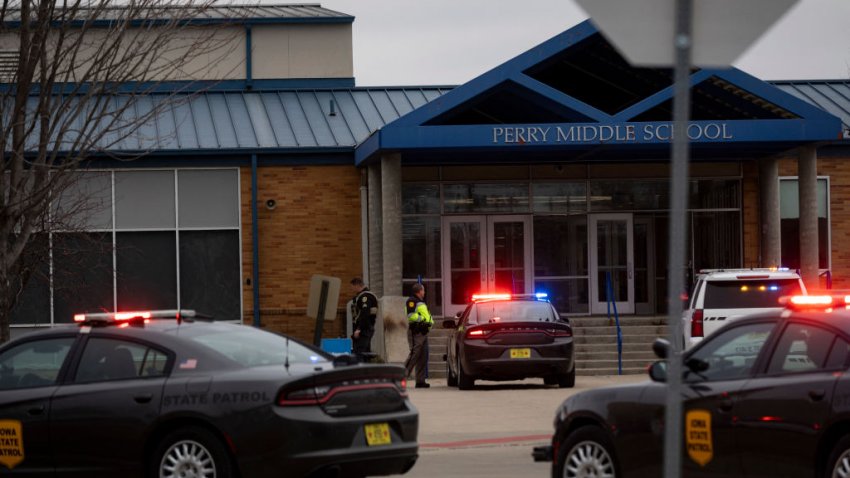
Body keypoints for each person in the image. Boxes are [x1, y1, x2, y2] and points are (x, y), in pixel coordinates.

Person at [404, 283, 433, 388]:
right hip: (417, 331)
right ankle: (401, 377)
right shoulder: (412, 301)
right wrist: (423, 320)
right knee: (414, 354)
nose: (424, 292)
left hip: (423, 331)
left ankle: (420, 381)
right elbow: (411, 315)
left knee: (423, 356)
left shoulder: (420, 302)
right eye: (423, 290)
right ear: (420, 291)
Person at [349, 277, 378, 362]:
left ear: (357, 285)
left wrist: (359, 329)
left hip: (364, 329)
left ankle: (360, 372)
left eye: (352, 287)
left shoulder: (365, 297)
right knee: (365, 353)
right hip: (366, 328)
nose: (352, 289)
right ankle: (367, 372)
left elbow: (365, 313)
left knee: (359, 353)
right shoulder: (361, 296)